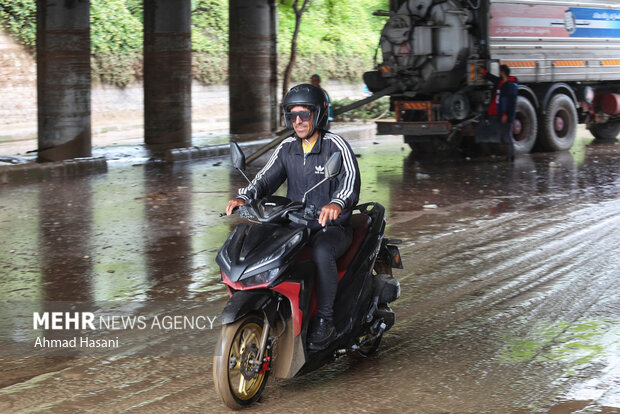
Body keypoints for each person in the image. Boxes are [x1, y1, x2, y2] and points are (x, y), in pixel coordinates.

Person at [226, 83, 361, 350]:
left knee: (323, 251)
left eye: (305, 115)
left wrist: (336, 203)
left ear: (319, 114)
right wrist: (245, 196)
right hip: (296, 223)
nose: (298, 121)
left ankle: (326, 319)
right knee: (262, 242)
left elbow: (350, 182)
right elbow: (265, 179)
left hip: (330, 227)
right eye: (292, 115)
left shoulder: (336, 145)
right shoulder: (287, 147)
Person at [481, 64, 518, 161]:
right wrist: (484, 73)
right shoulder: (502, 82)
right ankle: (509, 156)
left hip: (507, 115)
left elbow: (510, 102)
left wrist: (505, 114)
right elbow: (493, 79)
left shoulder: (510, 85)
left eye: (500, 71)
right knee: (505, 134)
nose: (499, 73)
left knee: (507, 135)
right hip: (501, 113)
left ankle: (511, 157)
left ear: (503, 72)